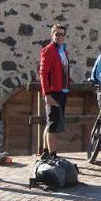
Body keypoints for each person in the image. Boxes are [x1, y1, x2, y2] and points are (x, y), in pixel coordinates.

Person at [39, 23, 71, 161]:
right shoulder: (49, 50)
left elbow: (63, 69)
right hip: (54, 92)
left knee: (52, 122)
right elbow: (43, 73)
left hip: (62, 90)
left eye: (62, 34)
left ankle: (46, 151)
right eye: (57, 34)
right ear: (52, 35)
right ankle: (52, 154)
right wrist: (46, 94)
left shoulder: (63, 50)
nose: (60, 37)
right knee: (52, 124)